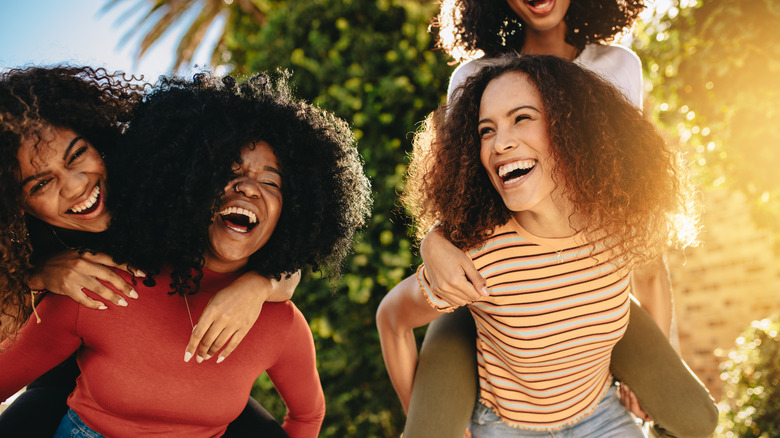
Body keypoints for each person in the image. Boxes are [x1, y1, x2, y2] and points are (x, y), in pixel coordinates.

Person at [401, 1, 717, 436]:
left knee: (693, 415)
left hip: (591, 281)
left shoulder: (616, 65)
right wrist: (432, 240)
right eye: (490, 130)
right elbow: (457, 188)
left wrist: (643, 372)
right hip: (496, 287)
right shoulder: (475, 77)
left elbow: (634, 197)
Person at [0, 71, 371, 437]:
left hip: (192, 393)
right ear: (17, 206)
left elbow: (284, 269)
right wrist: (37, 274)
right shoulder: (63, 274)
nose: (77, 185)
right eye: (42, 184)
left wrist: (258, 286)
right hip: (74, 376)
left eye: (77, 155)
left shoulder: (150, 184)